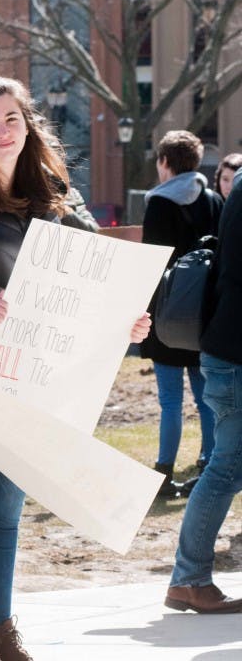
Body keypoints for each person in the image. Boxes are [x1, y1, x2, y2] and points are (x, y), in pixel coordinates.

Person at [0, 76, 151, 661]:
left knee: (6, 512)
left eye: (11, 119)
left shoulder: (52, 189)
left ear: (27, 122)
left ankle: (2, 633)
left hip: (32, 374)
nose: (2, 131)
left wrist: (123, 323)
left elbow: (90, 274)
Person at [165, 168, 242, 614]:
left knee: (227, 467)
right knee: (226, 468)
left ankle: (188, 577)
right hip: (234, 355)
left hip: (229, 348)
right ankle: (189, 578)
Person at [140, 130, 221, 497]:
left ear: (165, 162)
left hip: (168, 313)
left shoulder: (158, 204)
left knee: (170, 399)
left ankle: (164, 471)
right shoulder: (214, 200)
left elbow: (152, 263)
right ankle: (208, 464)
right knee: (205, 397)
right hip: (204, 316)